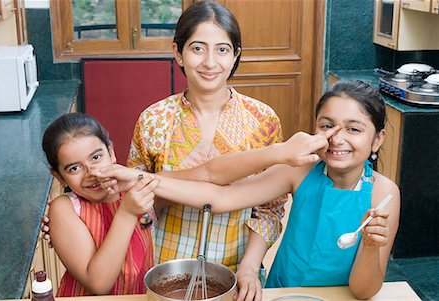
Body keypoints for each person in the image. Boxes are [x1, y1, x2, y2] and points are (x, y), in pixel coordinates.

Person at [97, 80, 401, 299]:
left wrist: (372, 247)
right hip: (283, 294)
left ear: (377, 139)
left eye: (354, 129)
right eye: (327, 126)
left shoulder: (383, 195)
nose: (337, 138)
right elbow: (220, 196)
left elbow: (364, 291)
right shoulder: (299, 171)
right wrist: (142, 179)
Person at [126, 1, 288, 300]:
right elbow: (137, 208)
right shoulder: (154, 120)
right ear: (179, 53)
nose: (210, 62)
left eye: (223, 49)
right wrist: (183, 180)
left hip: (237, 271)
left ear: (236, 55)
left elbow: (270, 208)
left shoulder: (262, 120)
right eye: (198, 48)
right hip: (163, 271)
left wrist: (250, 268)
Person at [42, 112, 158, 296]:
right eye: (74, 168)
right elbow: (98, 284)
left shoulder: (132, 187)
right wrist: (127, 212)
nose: (91, 173)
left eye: (96, 158)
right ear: (59, 177)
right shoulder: (65, 209)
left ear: (110, 152)